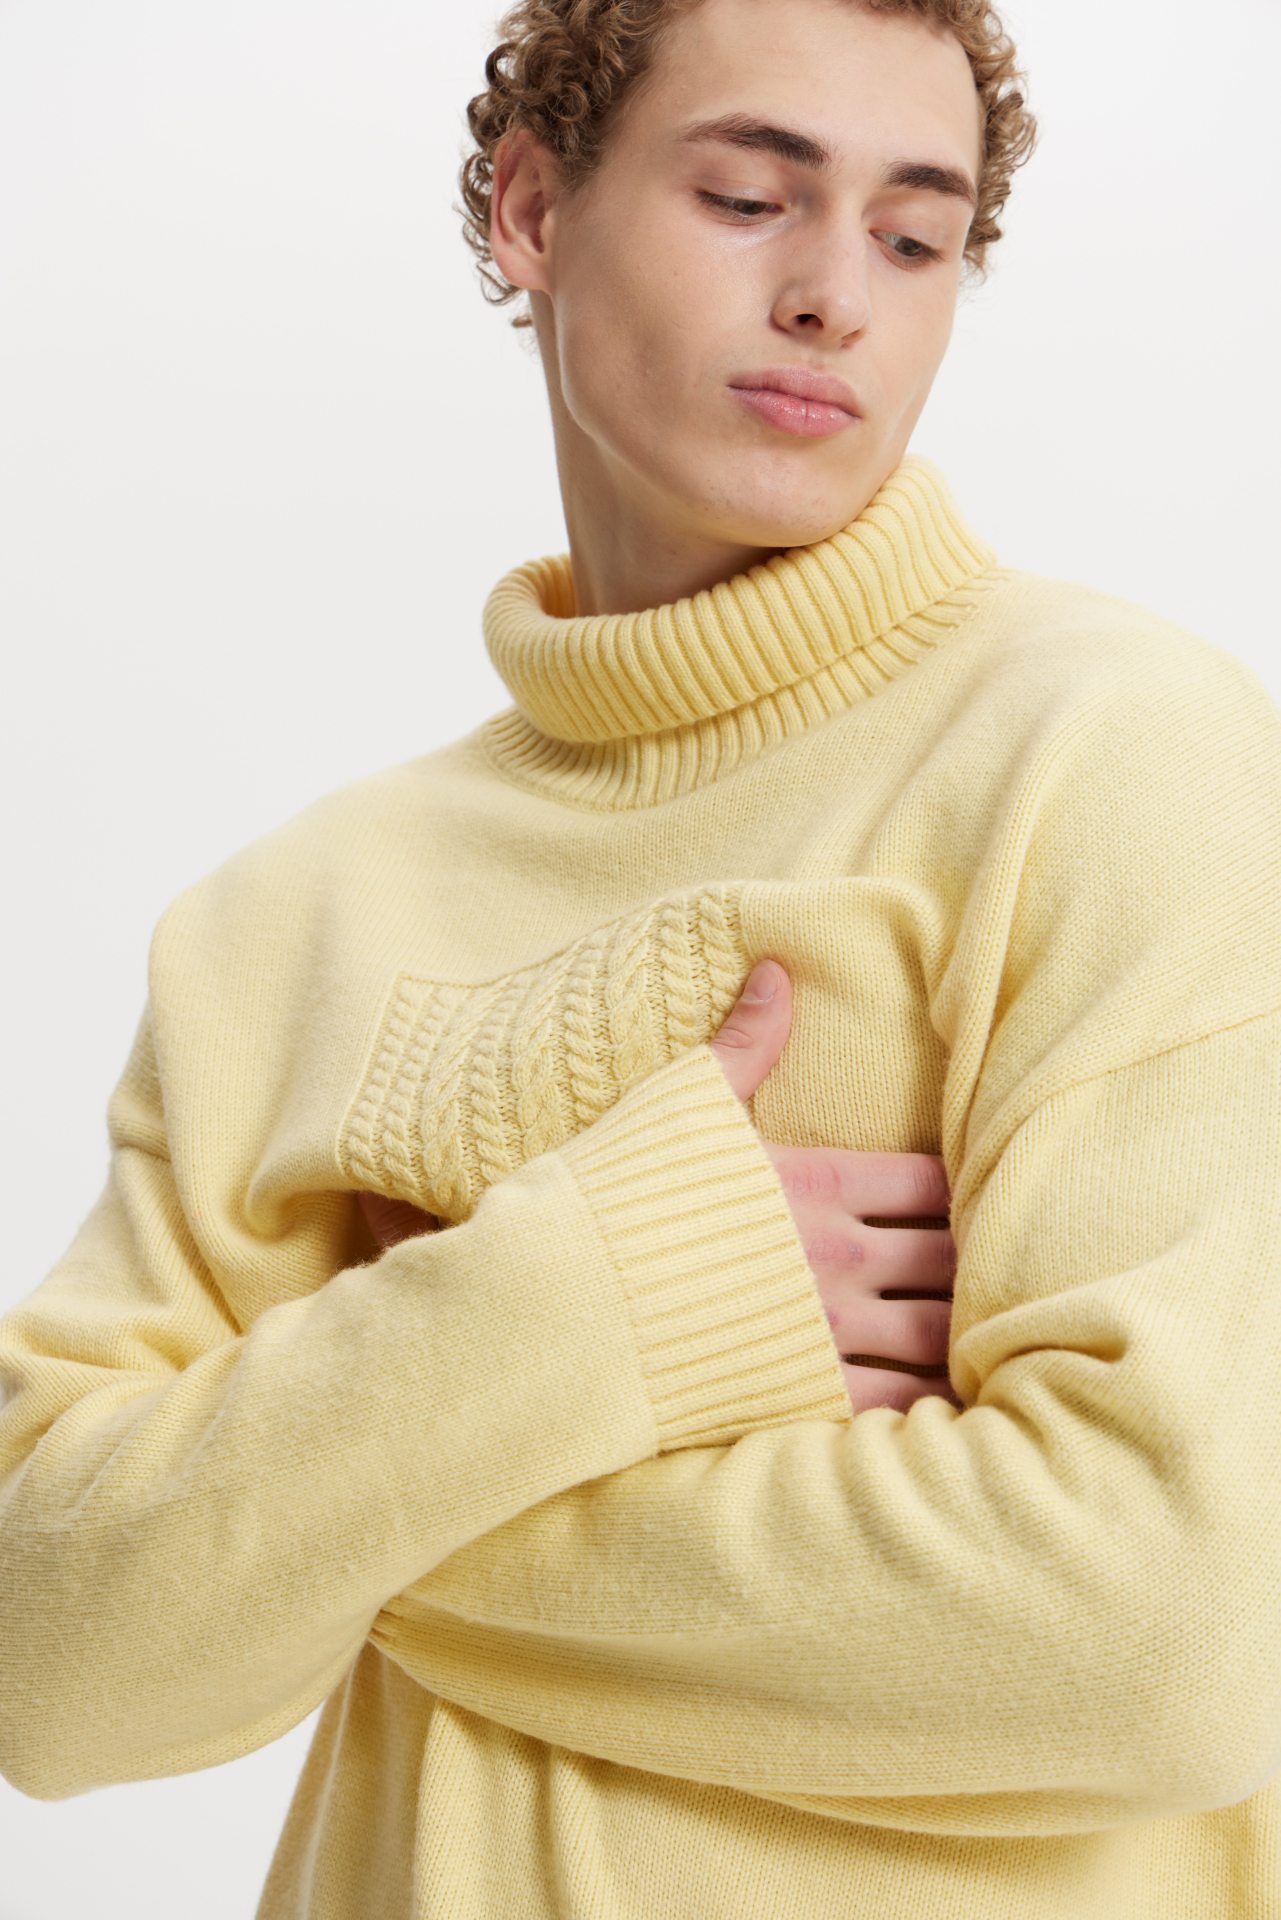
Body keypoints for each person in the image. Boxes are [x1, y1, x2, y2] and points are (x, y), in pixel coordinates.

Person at [4, 0, 1281, 1915]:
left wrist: (333, 1512)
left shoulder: (1113, 758)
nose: (833, 295)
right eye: (750, 198)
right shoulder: (291, 917)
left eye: (913, 236)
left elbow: (1157, 1634)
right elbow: (45, 1646)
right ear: (530, 210)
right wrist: (592, 1287)